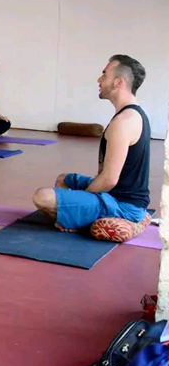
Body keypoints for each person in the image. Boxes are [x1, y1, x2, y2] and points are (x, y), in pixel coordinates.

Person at [33, 55, 151, 233]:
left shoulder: (124, 121)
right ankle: (83, 216)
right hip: (115, 195)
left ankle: (91, 221)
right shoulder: (132, 114)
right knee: (64, 179)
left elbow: (109, 179)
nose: (99, 79)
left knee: (42, 197)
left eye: (104, 75)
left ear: (118, 82)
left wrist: (78, 205)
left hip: (123, 205)